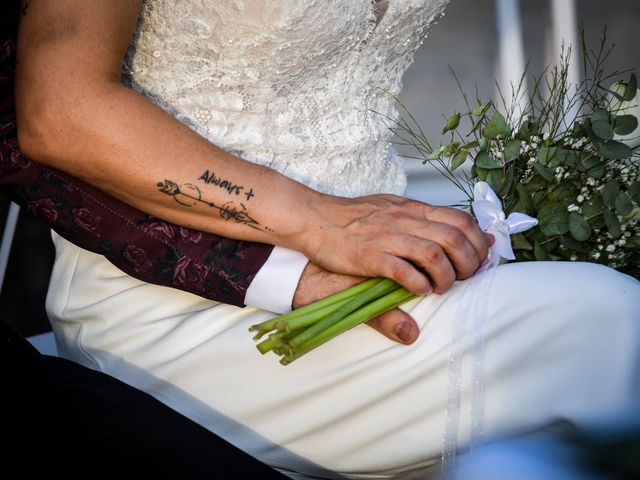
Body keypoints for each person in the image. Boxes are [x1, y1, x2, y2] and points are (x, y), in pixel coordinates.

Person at [13, 1, 640, 478]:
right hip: (181, 299)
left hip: (376, 262)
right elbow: (61, 112)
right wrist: (317, 224)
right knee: (608, 323)